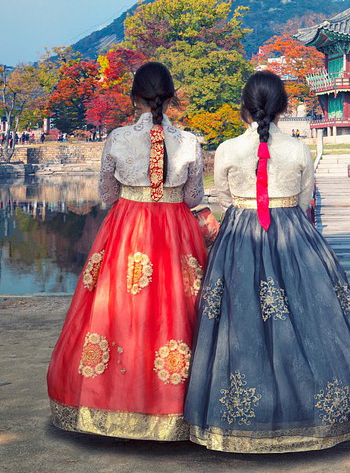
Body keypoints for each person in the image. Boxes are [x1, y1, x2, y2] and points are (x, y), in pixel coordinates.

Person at [185, 71, 350, 453]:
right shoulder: (299, 149)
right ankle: (310, 413)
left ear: (244, 106)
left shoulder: (225, 149)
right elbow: (305, 201)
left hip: (239, 237)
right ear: (284, 107)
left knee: (237, 325)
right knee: (311, 320)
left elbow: (222, 199)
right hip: (294, 237)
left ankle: (239, 420)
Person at [47, 62, 218, 441]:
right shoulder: (189, 141)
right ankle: (177, 411)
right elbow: (194, 197)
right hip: (176, 232)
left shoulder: (118, 138)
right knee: (176, 309)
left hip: (128, 229)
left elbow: (107, 194)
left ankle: (107, 403)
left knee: (117, 310)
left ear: (133, 97)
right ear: (171, 97)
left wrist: (136, 197)